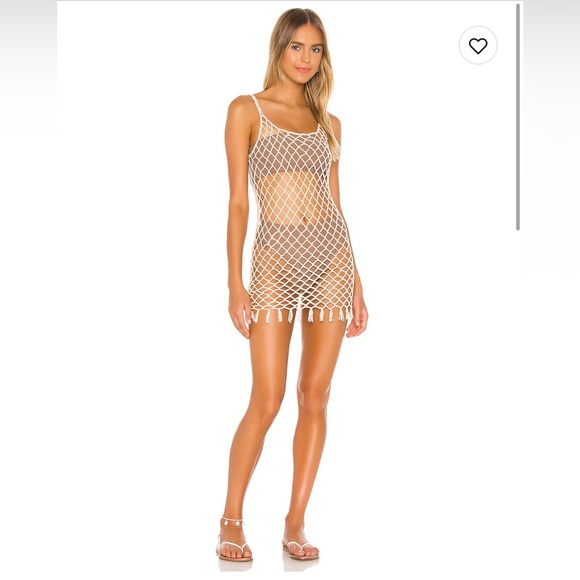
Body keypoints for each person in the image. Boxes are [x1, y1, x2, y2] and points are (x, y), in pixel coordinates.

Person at [217, 7, 368, 562]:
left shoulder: (330, 124)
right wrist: (235, 283)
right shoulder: (246, 109)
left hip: (331, 258)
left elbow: (337, 205)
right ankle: (231, 518)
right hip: (275, 260)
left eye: (316, 49)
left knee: (315, 396)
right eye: (297, 47)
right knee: (268, 398)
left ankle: (295, 521)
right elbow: (238, 203)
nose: (306, 59)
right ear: (279, 47)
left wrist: (357, 284)